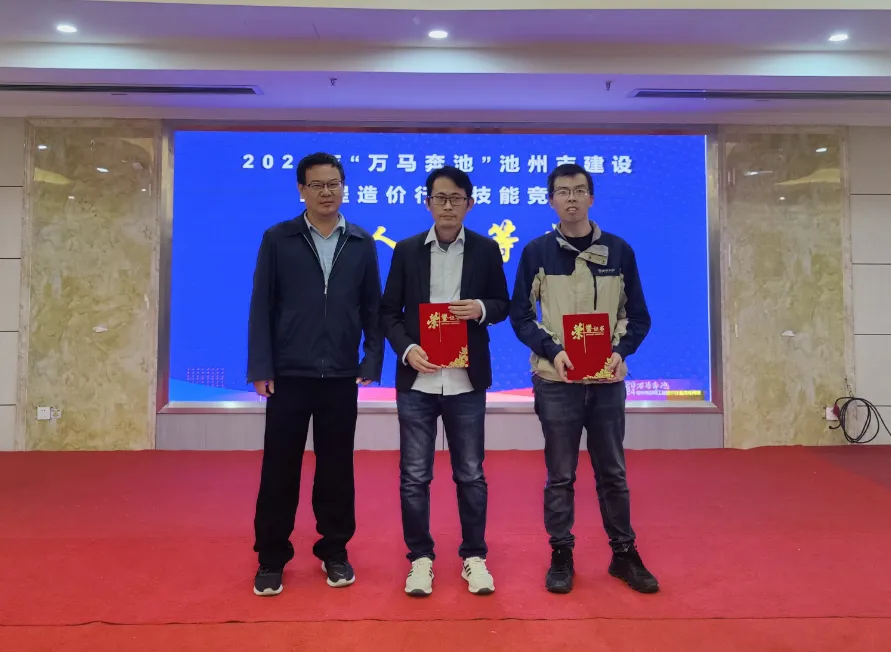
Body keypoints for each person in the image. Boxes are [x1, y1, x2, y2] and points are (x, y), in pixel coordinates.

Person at [509, 163, 658, 595]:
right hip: (556, 382)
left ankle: (624, 553)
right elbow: (520, 316)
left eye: (579, 190)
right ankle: (561, 553)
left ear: (591, 197)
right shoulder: (536, 252)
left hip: (607, 382)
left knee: (613, 472)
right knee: (560, 474)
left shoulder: (619, 251)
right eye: (562, 191)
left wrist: (619, 353)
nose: (571, 198)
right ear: (551, 200)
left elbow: (638, 317)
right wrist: (553, 351)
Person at [247, 152, 383, 596]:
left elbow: (372, 307)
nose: (327, 192)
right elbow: (262, 306)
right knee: (279, 469)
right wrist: (261, 365)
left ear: (344, 187)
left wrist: (372, 358)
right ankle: (271, 557)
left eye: (334, 184)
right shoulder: (278, 238)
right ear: (301, 190)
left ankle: (334, 550)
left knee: (337, 469)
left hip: (341, 376)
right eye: (317, 185)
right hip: (288, 374)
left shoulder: (361, 241)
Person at [380, 165, 510, 597]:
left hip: (465, 381)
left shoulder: (486, 249)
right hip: (418, 380)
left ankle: (474, 556)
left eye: (456, 198)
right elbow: (388, 312)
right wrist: (406, 349)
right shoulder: (406, 250)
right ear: (427, 203)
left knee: (470, 473)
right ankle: (420, 558)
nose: (448, 205)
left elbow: (503, 303)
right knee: (414, 476)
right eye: (440, 197)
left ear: (469, 204)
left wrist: (481, 309)